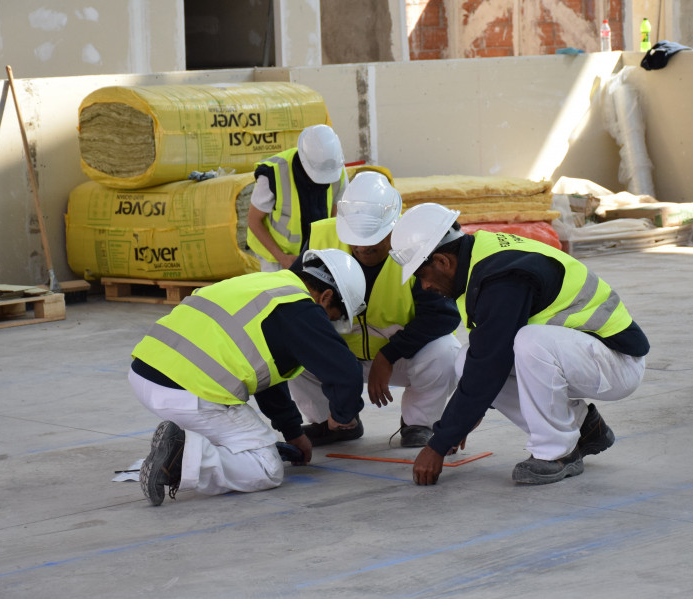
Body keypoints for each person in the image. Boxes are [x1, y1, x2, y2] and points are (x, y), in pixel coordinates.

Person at [388, 203, 650, 486]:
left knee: (528, 342)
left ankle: (557, 454)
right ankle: (584, 429)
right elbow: (484, 358)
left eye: (422, 275)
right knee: (466, 360)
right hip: (584, 355)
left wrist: (439, 443)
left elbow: (490, 365)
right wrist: (462, 419)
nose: (424, 287)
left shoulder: (501, 278)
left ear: (442, 262)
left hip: (616, 360)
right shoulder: (481, 259)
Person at [130, 248, 367, 506]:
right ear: (326, 297)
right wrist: (339, 418)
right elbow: (347, 373)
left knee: (244, 445)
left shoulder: (268, 286)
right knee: (266, 468)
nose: (328, 323)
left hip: (146, 375)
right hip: (190, 390)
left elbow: (266, 376)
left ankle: (181, 446)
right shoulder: (301, 308)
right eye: (334, 317)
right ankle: (179, 456)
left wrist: (292, 432)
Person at [288, 172, 462, 447]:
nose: (362, 247)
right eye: (356, 240)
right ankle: (334, 422)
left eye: (372, 240)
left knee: (446, 352)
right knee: (291, 349)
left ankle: (418, 423)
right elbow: (292, 302)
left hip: (399, 358)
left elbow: (443, 316)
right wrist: (335, 361)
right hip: (338, 355)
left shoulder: (417, 244)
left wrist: (388, 356)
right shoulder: (322, 239)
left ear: (394, 226)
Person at [246, 124, 348, 272]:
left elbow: (335, 216)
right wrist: (282, 258)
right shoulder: (272, 174)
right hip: (277, 257)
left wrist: (328, 254)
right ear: (303, 160)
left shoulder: (336, 171)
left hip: (316, 253)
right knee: (282, 293)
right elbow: (254, 220)